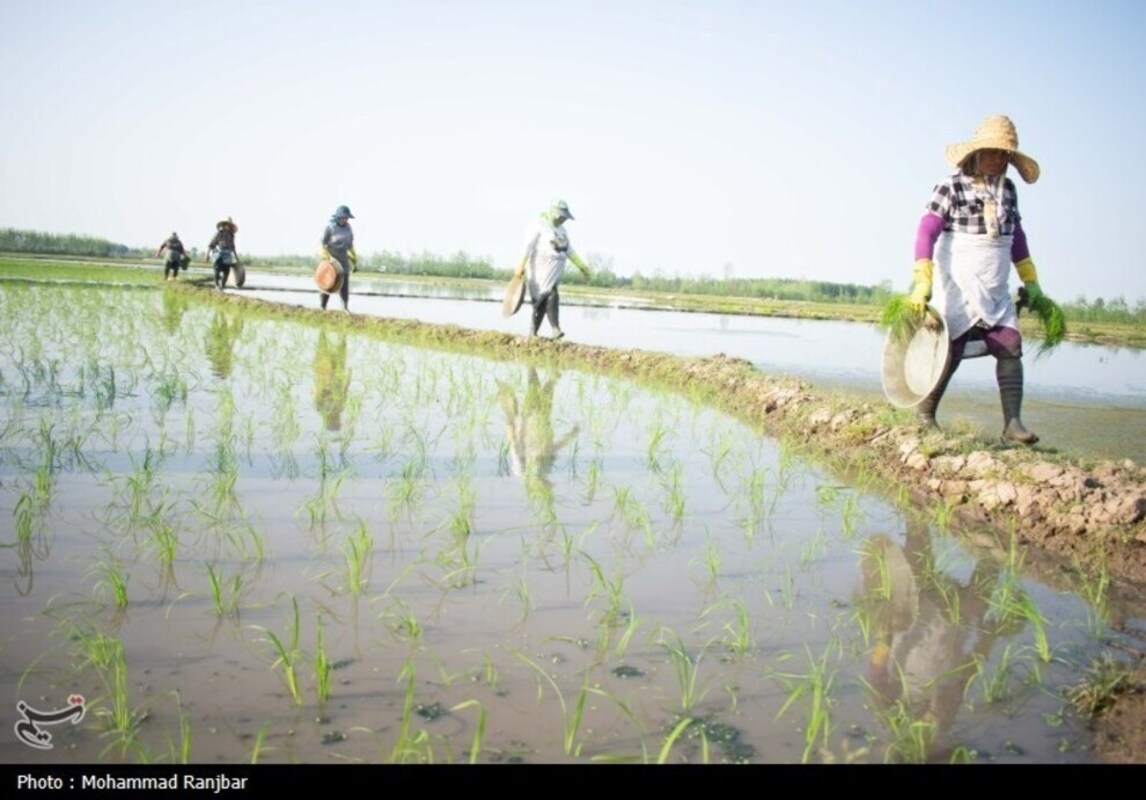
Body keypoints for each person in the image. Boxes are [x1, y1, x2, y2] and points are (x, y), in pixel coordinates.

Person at [907, 115, 1048, 444]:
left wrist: (1032, 282)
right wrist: (921, 280)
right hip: (957, 281)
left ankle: (1012, 424)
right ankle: (925, 414)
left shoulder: (1008, 191)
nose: (999, 160)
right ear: (975, 152)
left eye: (1005, 155)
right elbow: (926, 230)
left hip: (994, 284)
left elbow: (1016, 238)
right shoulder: (951, 185)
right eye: (993, 153)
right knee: (949, 350)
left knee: (1010, 346)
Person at [514, 199, 591, 338]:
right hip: (539, 271)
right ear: (553, 213)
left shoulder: (562, 231)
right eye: (561, 216)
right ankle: (555, 329)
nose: (563, 219)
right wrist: (521, 265)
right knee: (548, 296)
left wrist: (582, 267)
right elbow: (527, 247)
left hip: (553, 273)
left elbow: (569, 251)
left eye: (565, 217)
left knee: (543, 303)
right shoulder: (538, 225)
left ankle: (533, 332)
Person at [320, 205, 357, 311]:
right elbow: (322, 243)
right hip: (330, 257)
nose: (345, 219)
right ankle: (323, 307)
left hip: (343, 257)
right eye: (343, 217)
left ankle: (345, 307)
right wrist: (325, 255)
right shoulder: (330, 227)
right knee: (328, 282)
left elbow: (350, 245)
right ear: (338, 217)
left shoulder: (348, 228)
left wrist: (354, 259)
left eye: (347, 218)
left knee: (344, 283)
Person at [206, 217, 240, 291]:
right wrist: (207, 255)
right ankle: (216, 285)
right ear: (224, 225)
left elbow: (233, 247)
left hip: (228, 254)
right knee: (217, 270)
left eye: (230, 225)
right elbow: (211, 244)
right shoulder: (219, 233)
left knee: (226, 271)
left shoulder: (231, 235)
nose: (229, 227)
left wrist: (236, 257)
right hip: (219, 253)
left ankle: (222, 286)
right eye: (227, 225)